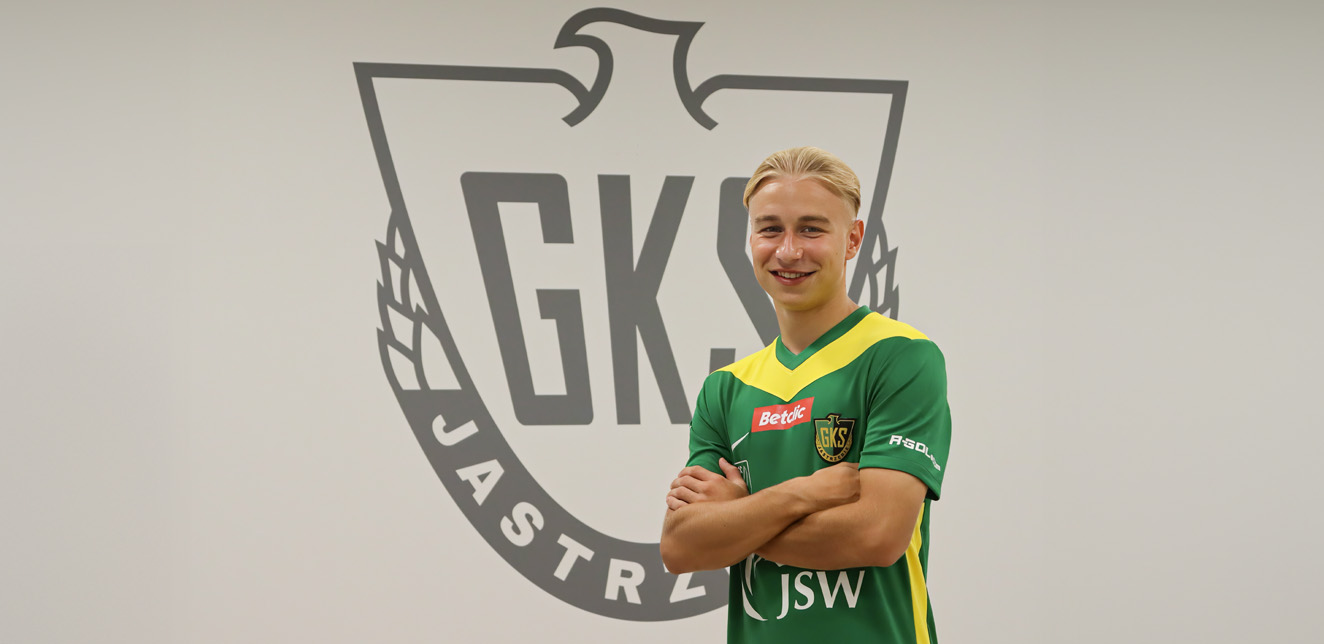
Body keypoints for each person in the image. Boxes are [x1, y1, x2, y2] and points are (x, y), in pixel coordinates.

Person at [659, 146, 951, 643]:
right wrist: (802, 494)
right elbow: (682, 547)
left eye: (811, 229)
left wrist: (739, 518)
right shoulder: (726, 388)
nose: (789, 251)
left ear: (852, 239)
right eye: (770, 229)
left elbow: (877, 534)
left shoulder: (900, 357)